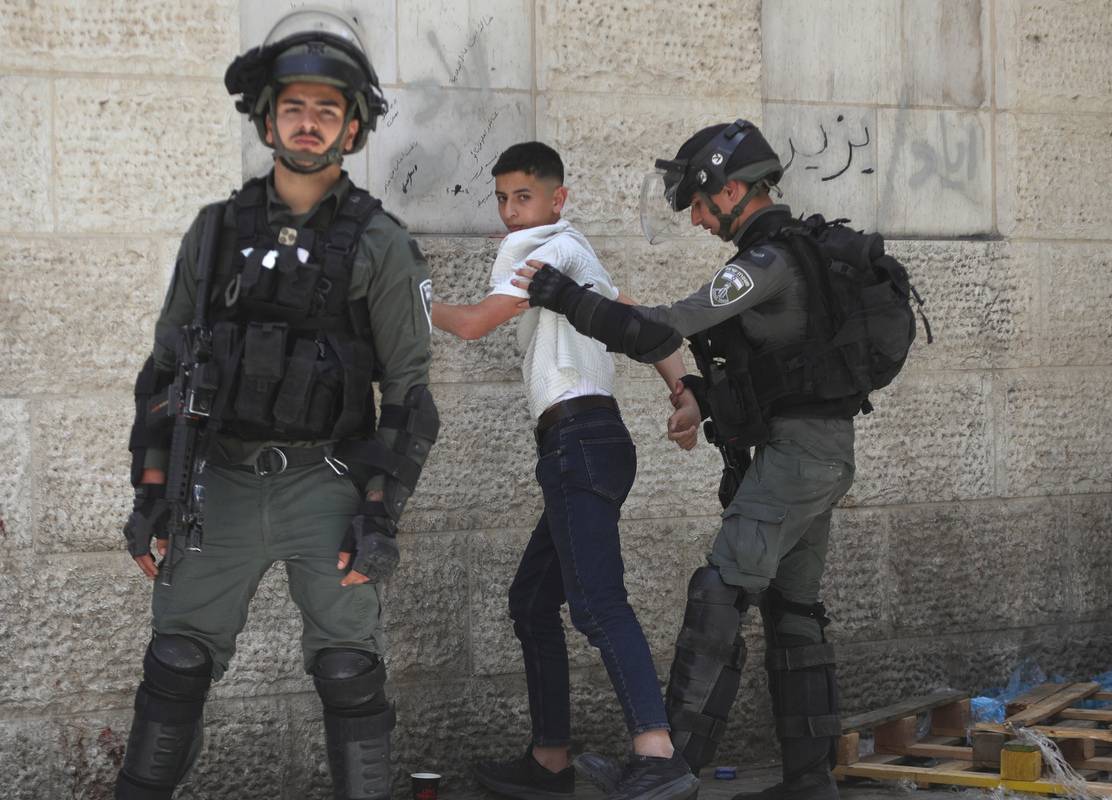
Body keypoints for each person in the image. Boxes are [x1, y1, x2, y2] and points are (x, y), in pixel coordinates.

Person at [117, 9, 438, 799]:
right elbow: (164, 371)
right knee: (177, 660)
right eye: (293, 106)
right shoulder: (215, 232)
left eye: (328, 109)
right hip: (216, 485)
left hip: (324, 485)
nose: (308, 122)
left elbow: (408, 395)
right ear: (267, 118)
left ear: (354, 129)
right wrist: (152, 491)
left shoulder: (381, 244)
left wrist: (378, 512)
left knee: (347, 668)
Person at [517, 120, 859, 800]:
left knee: (720, 591)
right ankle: (810, 780)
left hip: (797, 458)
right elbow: (777, 368)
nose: (699, 219)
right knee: (793, 611)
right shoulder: (786, 254)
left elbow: (661, 326)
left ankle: (667, 765)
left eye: (703, 204)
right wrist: (699, 396)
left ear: (734, 190)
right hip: (812, 453)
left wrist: (567, 297)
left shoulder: (764, 262)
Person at [431, 141, 700, 800]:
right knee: (532, 602)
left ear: (557, 198)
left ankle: (656, 754)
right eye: (502, 198)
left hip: (579, 441)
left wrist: (409, 299)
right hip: (585, 444)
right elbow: (633, 315)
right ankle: (551, 760)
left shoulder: (546, 247)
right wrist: (682, 389)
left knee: (598, 605)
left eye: (523, 196)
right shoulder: (576, 250)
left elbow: (472, 326)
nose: (510, 211)